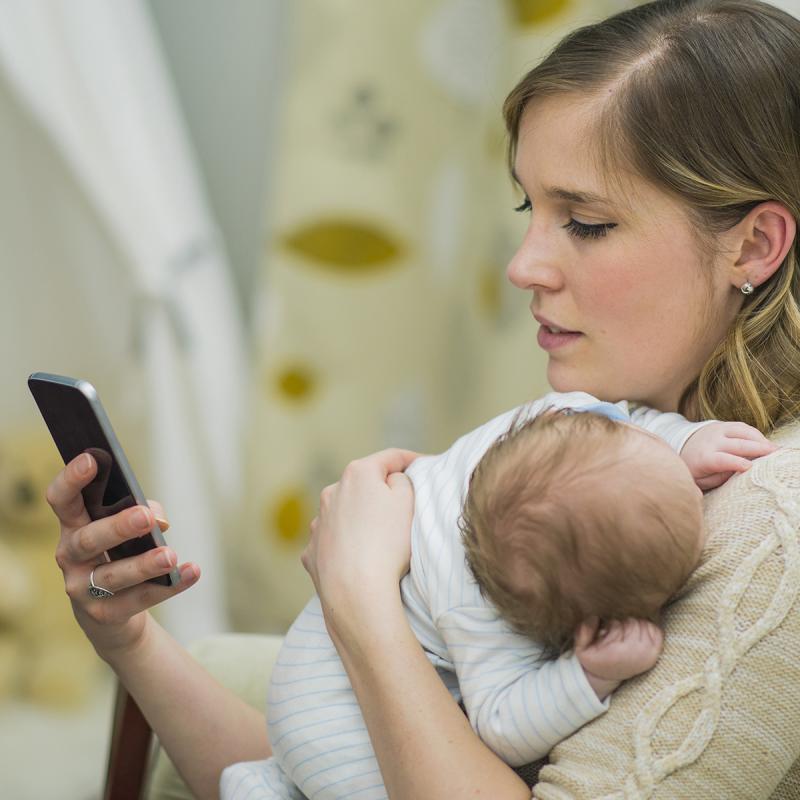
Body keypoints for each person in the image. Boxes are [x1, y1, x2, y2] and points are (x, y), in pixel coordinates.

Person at [45, 1, 800, 798]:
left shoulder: (771, 528)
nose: (524, 267)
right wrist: (129, 639)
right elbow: (318, 776)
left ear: (752, 245)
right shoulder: (602, 447)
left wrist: (362, 601)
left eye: (584, 222)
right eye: (529, 209)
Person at [223, 393, 773, 800]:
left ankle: (267, 784)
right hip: (324, 714)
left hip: (340, 618)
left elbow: (635, 431)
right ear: (583, 622)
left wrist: (685, 441)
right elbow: (502, 724)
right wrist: (587, 676)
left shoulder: (562, 427)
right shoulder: (478, 610)